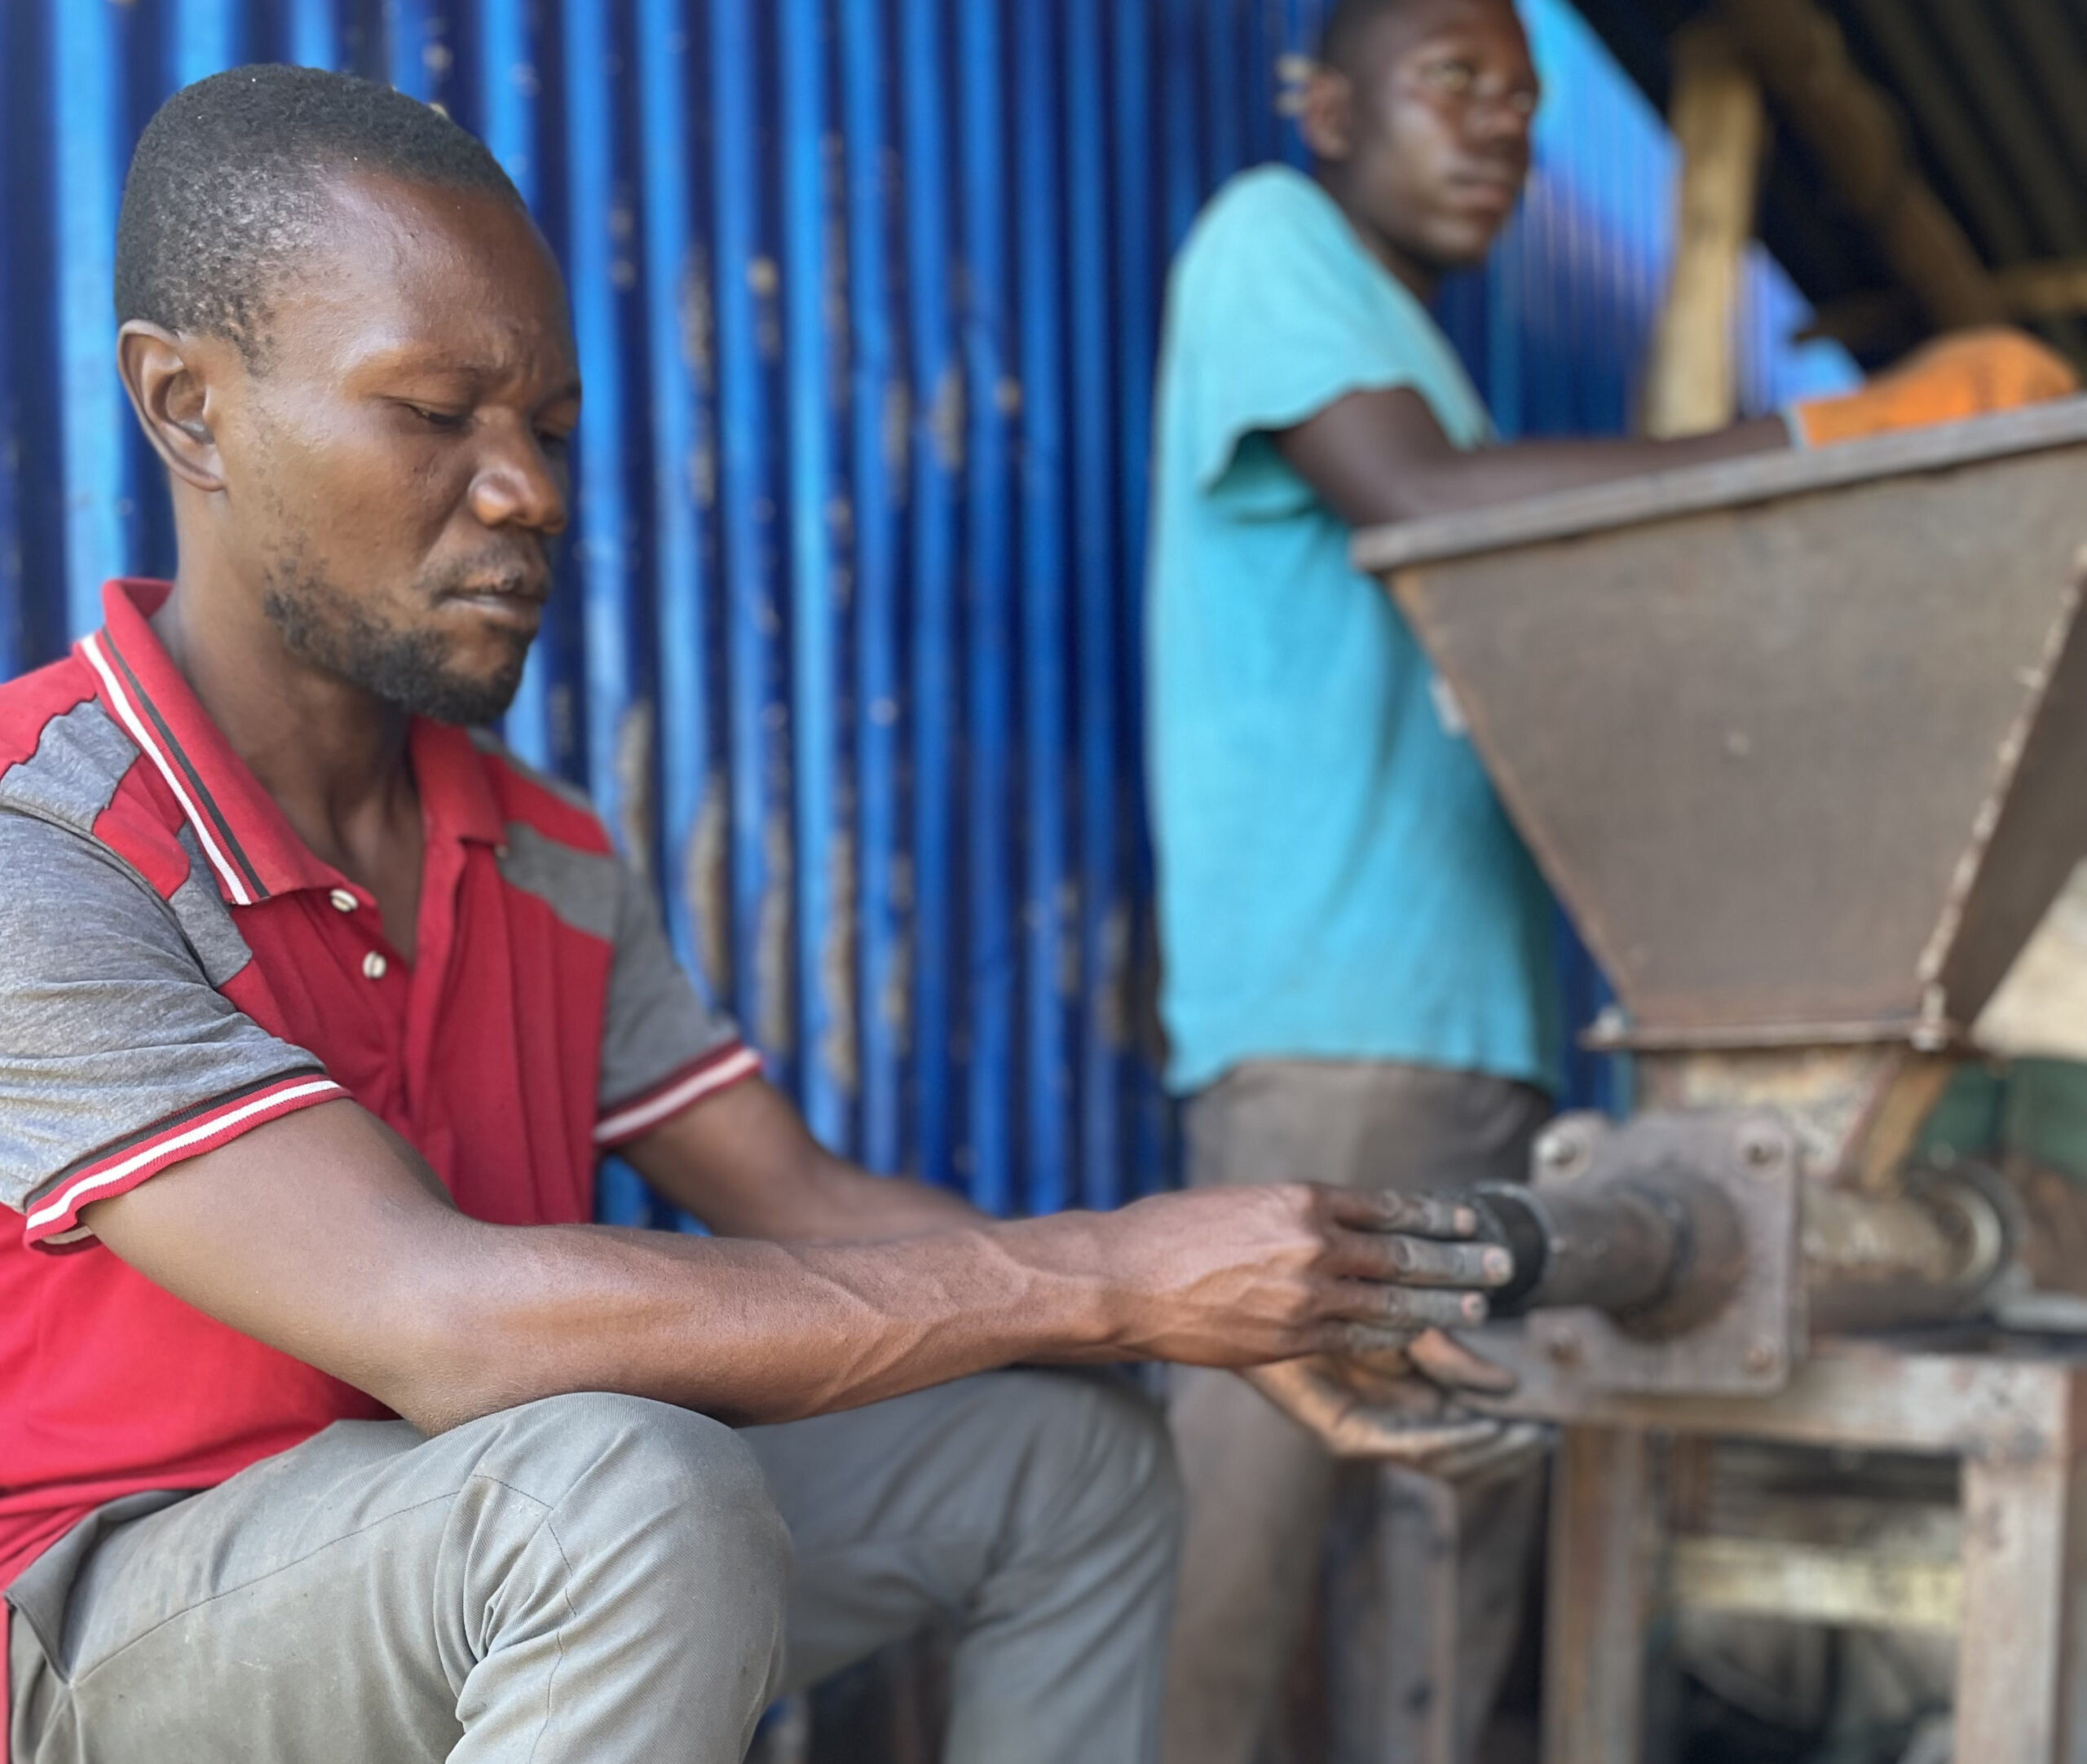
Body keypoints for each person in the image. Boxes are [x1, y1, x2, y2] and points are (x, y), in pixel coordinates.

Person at [0, 67, 1521, 1764]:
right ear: (185, 407)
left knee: (1060, 1446)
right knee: (629, 1487)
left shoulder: (543, 853)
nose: (527, 493)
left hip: (467, 1534)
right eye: (436, 413)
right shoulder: (43, 838)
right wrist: (1112, 1272)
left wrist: (1189, 1324)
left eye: (550, 426)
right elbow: (439, 1319)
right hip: (108, 1634)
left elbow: (793, 1195)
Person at [1143, 0, 2072, 1756]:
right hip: (1327, 1012)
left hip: (1477, 1024)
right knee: (1248, 1516)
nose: (1495, 126)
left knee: (1460, 1498)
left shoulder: (1424, 348)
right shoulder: (1266, 243)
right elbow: (1428, 502)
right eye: (1452, 84)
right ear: (1319, 104)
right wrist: (1825, 442)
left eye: (1519, 95)